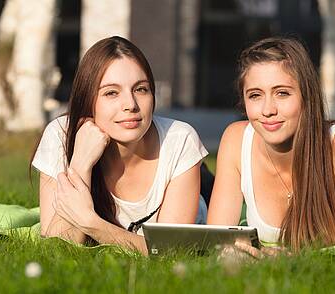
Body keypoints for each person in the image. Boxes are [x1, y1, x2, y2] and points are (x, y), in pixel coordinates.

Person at [207, 36, 335, 255]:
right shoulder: (236, 139)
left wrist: (283, 259)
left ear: (307, 96)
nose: (268, 109)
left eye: (282, 93)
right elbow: (217, 242)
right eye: (255, 95)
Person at [31, 36, 208, 255]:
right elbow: (57, 248)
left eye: (140, 89)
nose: (130, 105)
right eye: (111, 93)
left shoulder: (180, 139)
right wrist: (81, 163)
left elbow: (169, 251)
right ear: (87, 100)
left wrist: (91, 223)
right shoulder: (60, 135)